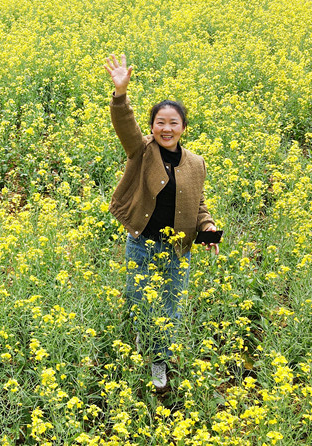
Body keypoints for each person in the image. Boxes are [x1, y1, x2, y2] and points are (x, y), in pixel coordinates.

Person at [103, 54, 219, 390]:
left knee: (169, 310)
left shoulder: (196, 163)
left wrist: (208, 226)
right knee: (137, 301)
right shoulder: (143, 150)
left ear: (183, 127)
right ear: (152, 126)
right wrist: (120, 94)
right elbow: (125, 125)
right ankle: (132, 346)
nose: (166, 129)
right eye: (160, 122)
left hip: (177, 250)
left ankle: (158, 363)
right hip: (142, 243)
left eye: (173, 123)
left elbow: (198, 203)